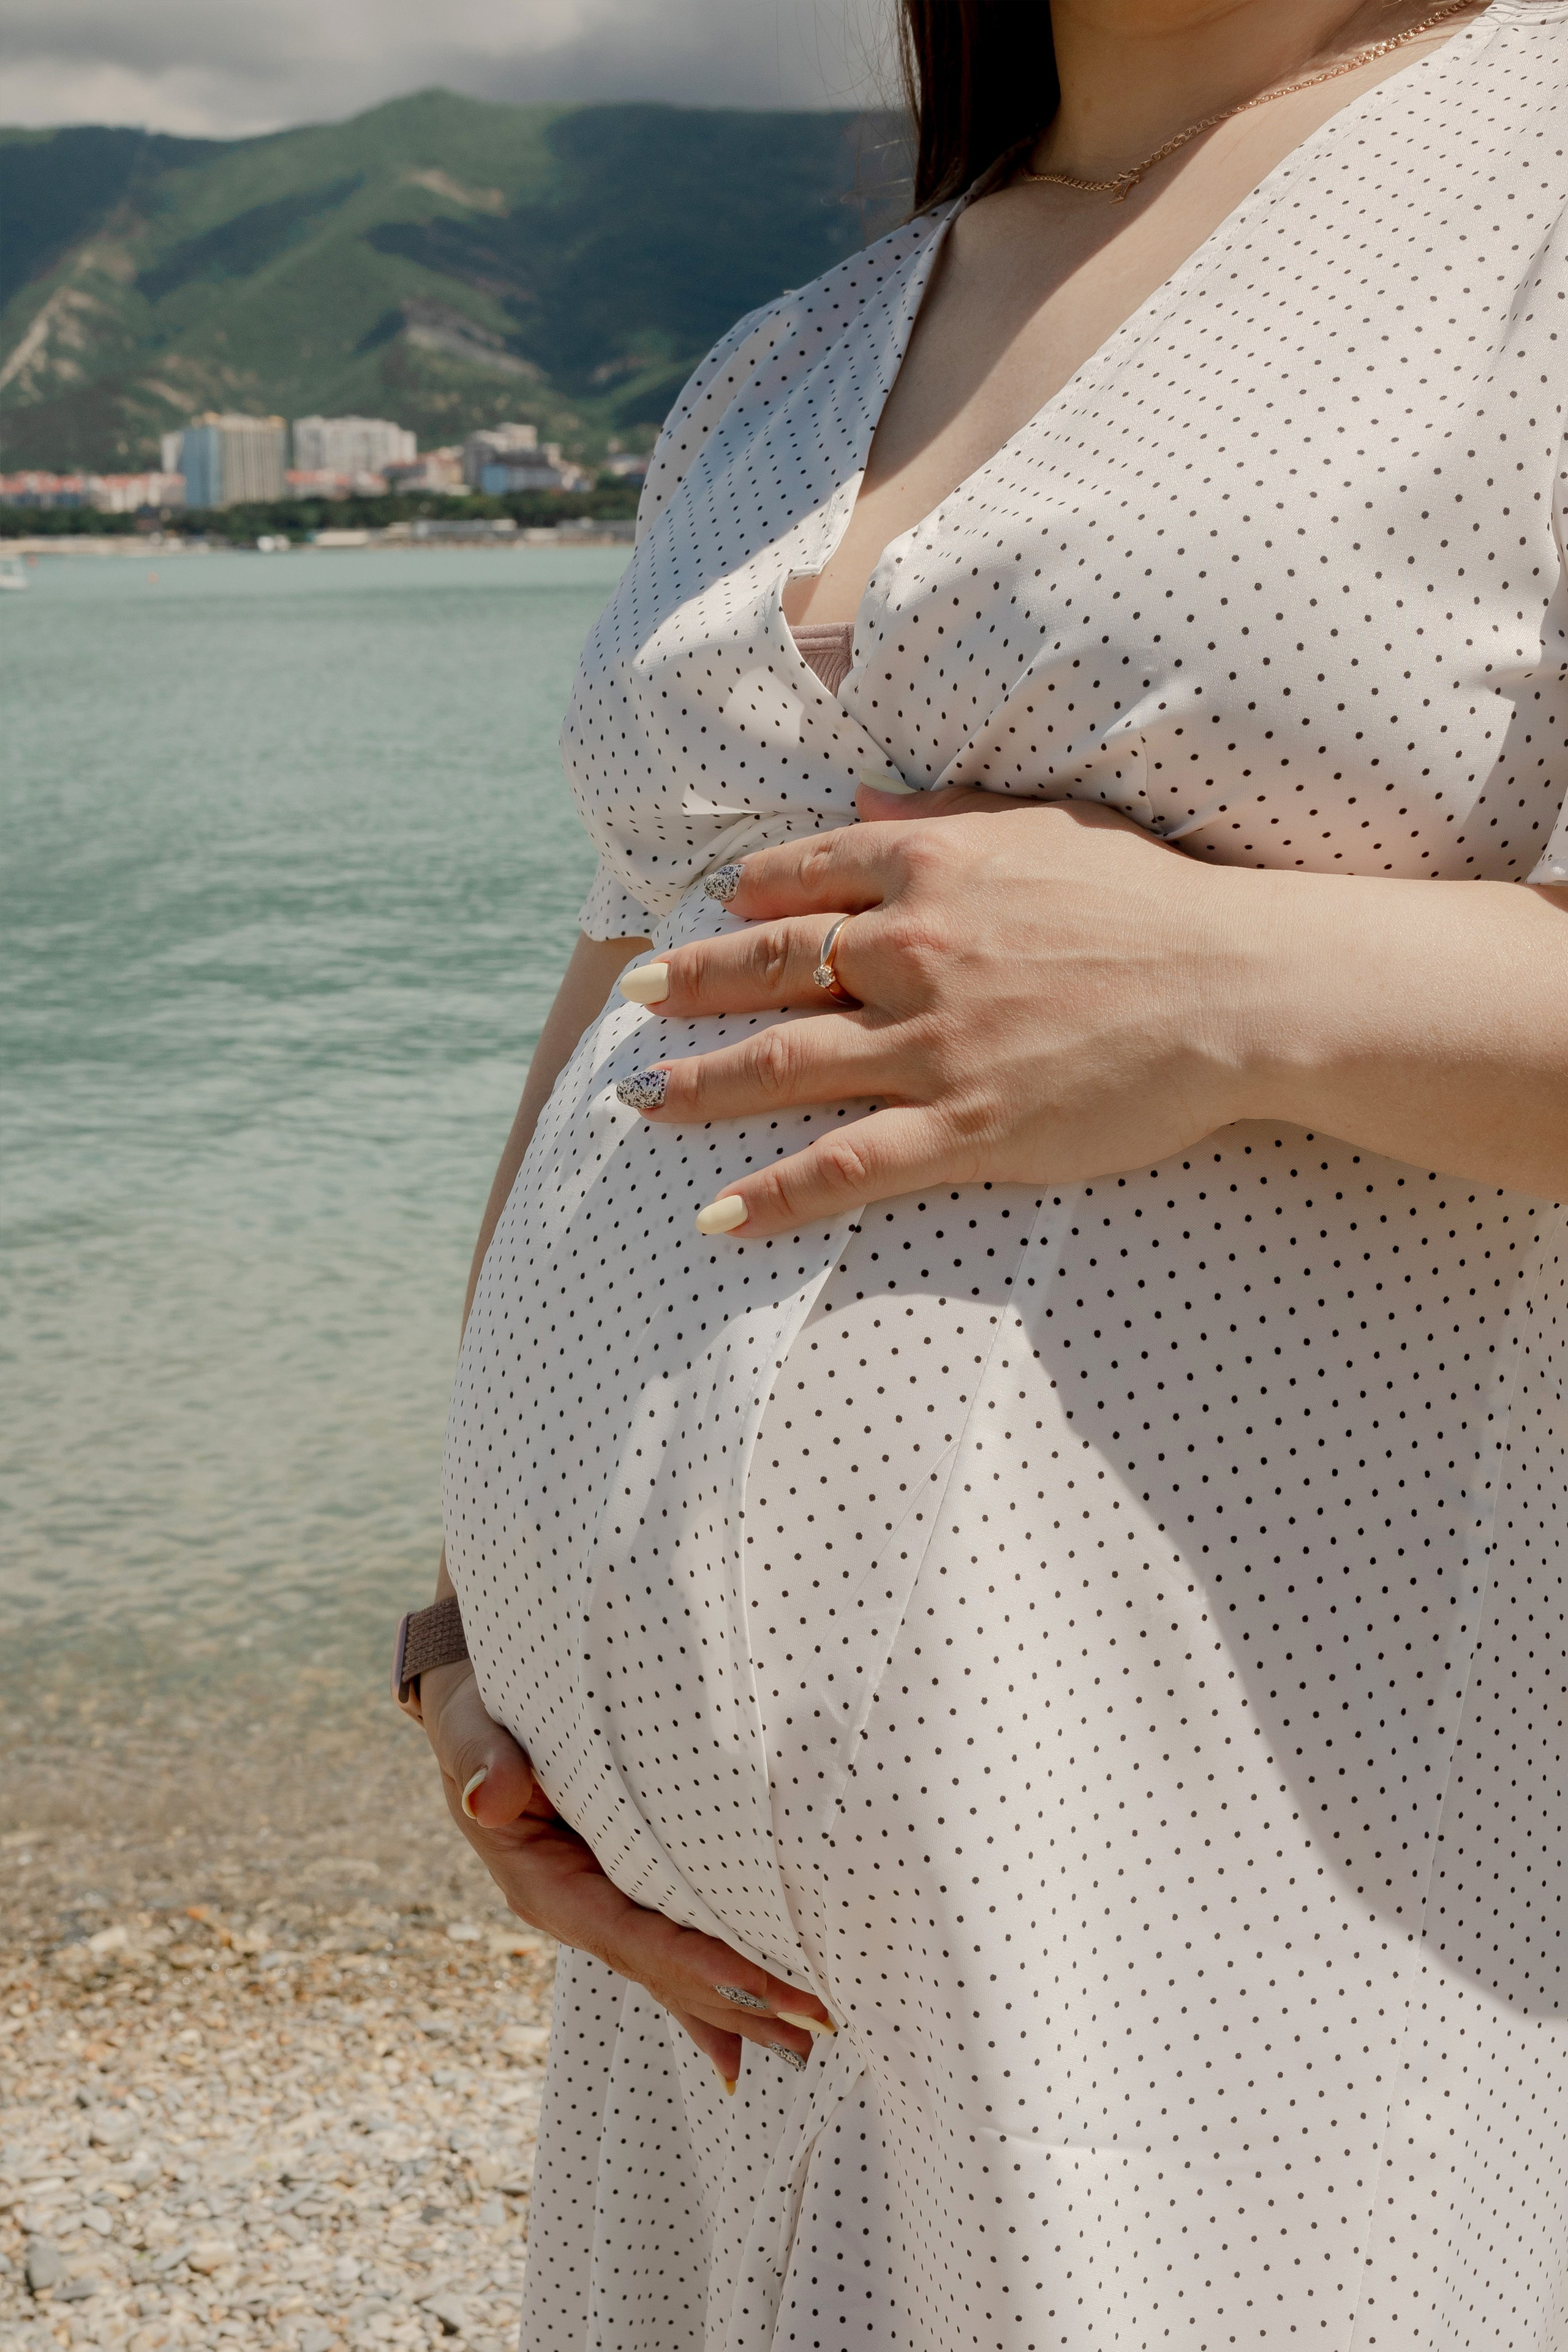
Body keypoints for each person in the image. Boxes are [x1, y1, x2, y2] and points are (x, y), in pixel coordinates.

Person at [401, 2, 1568, 2343]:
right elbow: (647, 956)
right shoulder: (789, 355)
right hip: (710, 2006)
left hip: (1232, 1930)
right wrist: (463, 1632)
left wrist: (1223, 983)